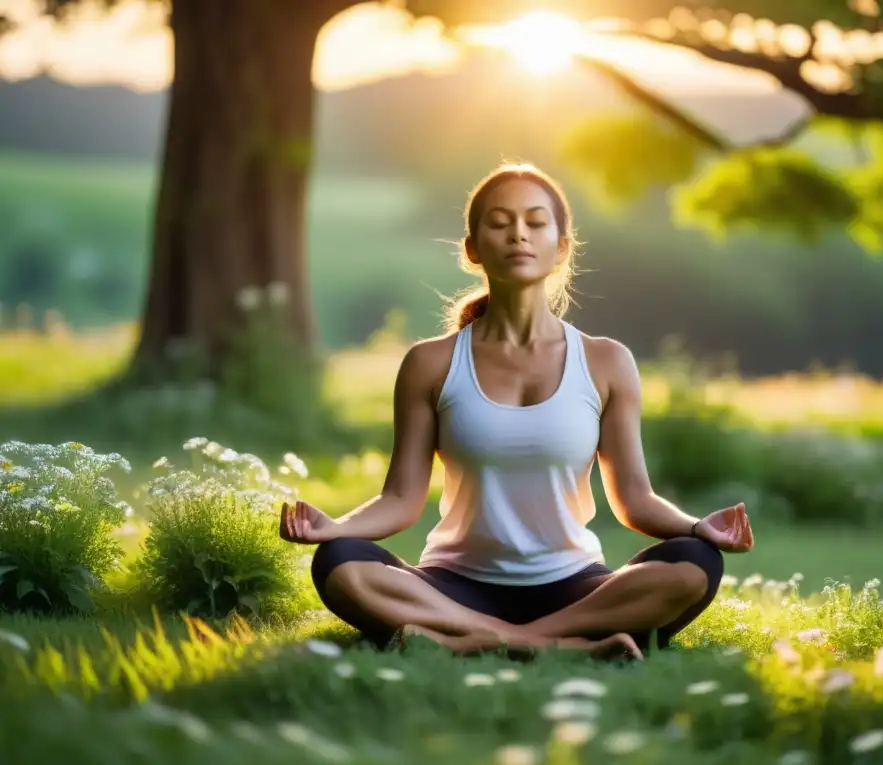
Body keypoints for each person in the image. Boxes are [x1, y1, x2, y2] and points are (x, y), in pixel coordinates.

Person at [279, 162, 754, 661]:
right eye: (500, 222)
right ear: (473, 248)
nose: (518, 235)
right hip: (455, 584)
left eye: (535, 221)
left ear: (562, 247)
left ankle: (478, 640)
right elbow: (400, 499)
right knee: (340, 563)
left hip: (573, 586)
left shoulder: (606, 361)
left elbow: (634, 499)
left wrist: (698, 528)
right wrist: (335, 528)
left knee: (695, 563)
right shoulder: (430, 363)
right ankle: (555, 646)